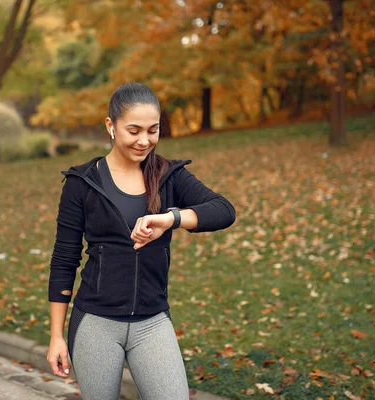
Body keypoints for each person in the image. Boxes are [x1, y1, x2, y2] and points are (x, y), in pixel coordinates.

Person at [46, 82, 236, 400]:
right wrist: (55, 336)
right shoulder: (81, 183)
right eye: (133, 130)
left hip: (152, 322)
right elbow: (64, 260)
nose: (144, 140)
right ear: (111, 126)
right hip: (95, 322)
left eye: (153, 130)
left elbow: (223, 210)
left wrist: (170, 219)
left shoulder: (168, 176)